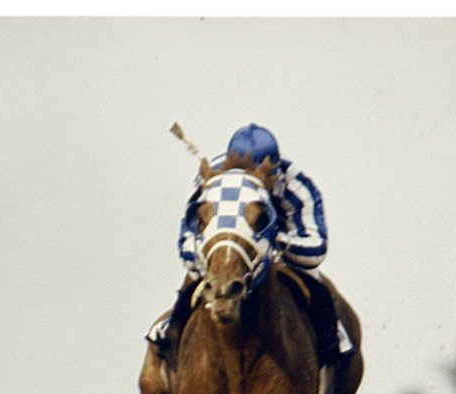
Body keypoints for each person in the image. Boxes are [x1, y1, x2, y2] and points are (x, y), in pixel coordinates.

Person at [148, 123, 350, 369]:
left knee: (319, 291)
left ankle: (334, 348)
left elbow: (316, 248)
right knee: (190, 286)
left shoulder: (297, 186)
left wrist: (268, 242)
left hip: (282, 255)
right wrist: (215, 252)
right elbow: (187, 243)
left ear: (274, 170)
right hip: (224, 254)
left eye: (262, 178)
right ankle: (170, 340)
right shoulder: (210, 179)